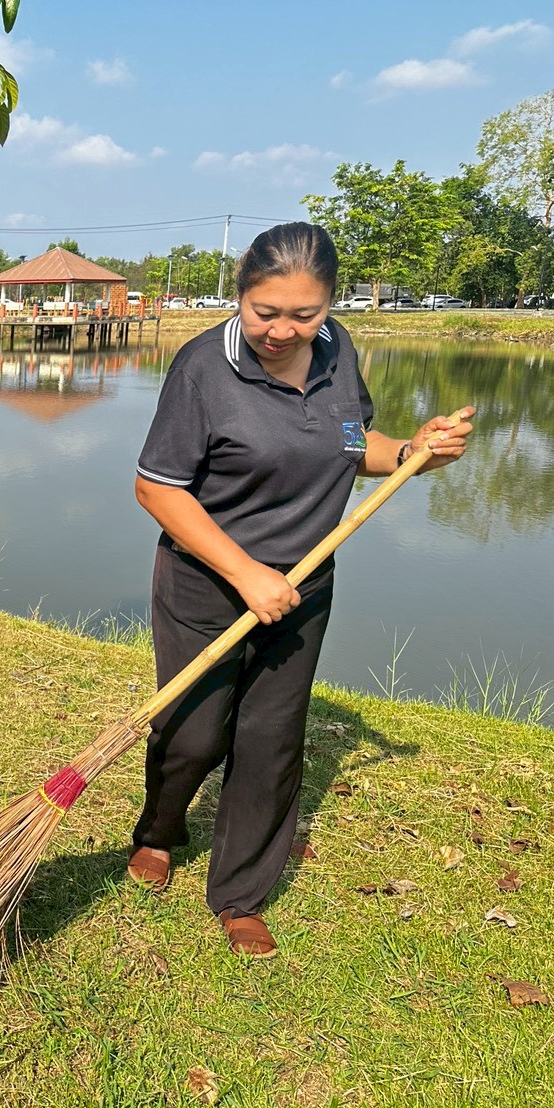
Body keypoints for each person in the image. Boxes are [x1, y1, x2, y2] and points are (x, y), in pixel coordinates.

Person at [129, 222, 474, 957]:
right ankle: (159, 830)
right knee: (191, 734)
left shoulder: (336, 351)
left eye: (303, 314)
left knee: (268, 741)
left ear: (328, 306)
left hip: (300, 589)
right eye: (265, 312)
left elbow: (353, 447)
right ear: (239, 294)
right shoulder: (201, 369)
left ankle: (240, 895)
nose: (282, 330)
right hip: (205, 582)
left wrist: (415, 453)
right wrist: (244, 573)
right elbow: (157, 490)